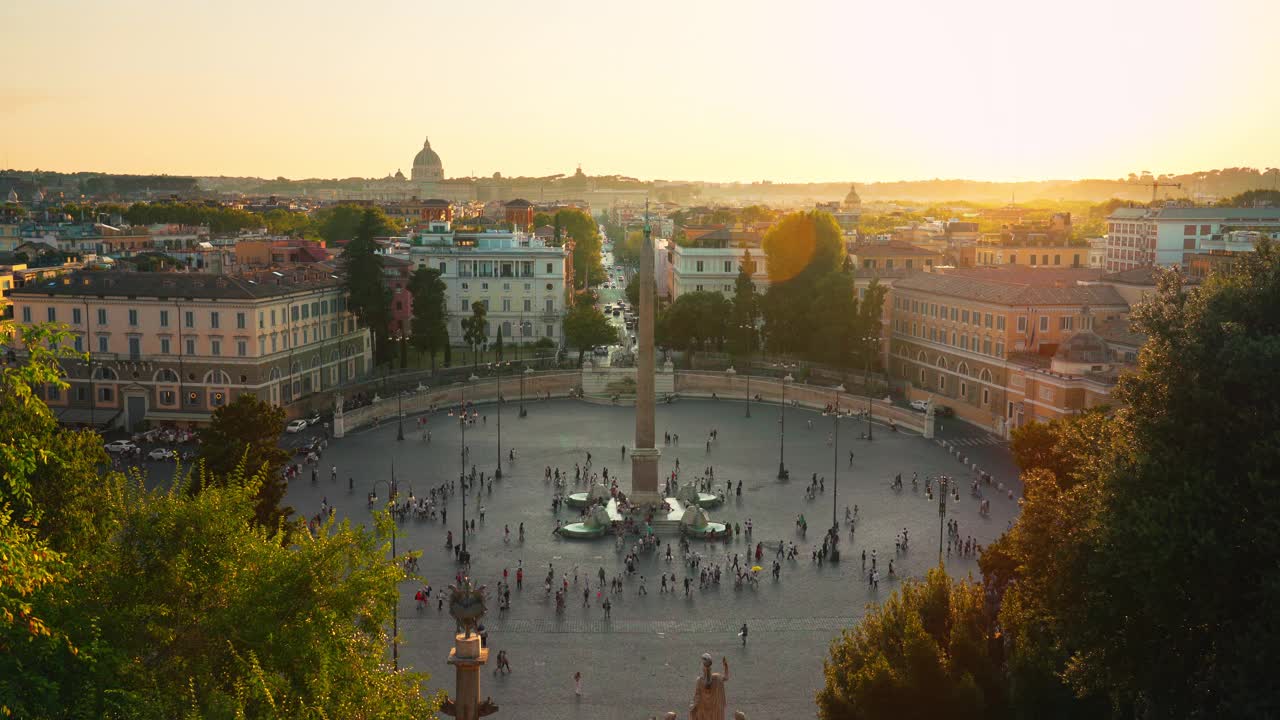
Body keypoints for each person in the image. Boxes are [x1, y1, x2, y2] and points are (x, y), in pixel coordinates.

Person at [690, 654, 729, 720]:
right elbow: (726, 677)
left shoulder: (700, 681)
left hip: (705, 710)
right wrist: (726, 666)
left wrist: (694, 706)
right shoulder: (717, 677)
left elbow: (707, 684)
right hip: (714, 711)